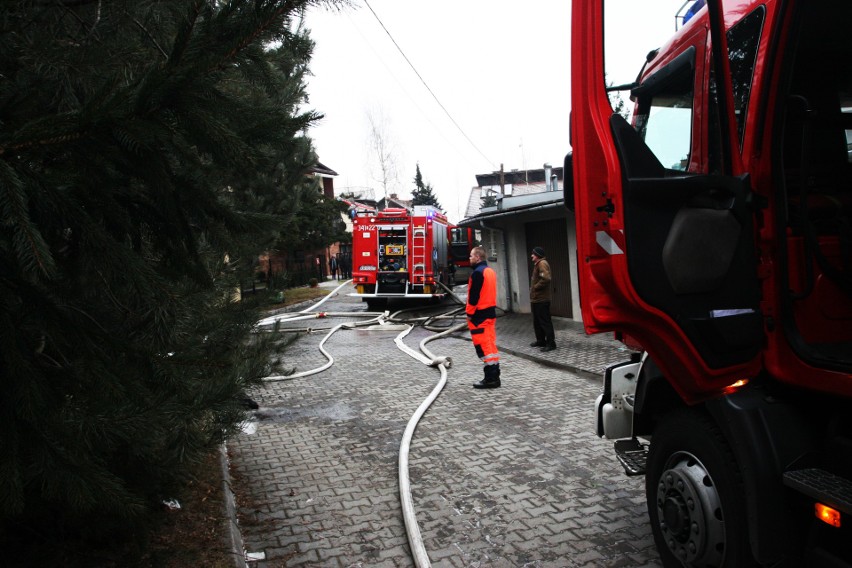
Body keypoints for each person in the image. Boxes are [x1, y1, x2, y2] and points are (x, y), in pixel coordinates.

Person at [466, 246, 501, 389]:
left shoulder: (477, 273)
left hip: (479, 316)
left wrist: (469, 314)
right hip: (490, 314)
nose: (469, 258)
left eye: (471, 256)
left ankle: (490, 379)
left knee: (484, 348)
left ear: (478, 257)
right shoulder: (490, 272)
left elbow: (473, 298)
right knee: (490, 346)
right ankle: (494, 376)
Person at [529, 246, 556, 352]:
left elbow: (546, 278)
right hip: (536, 299)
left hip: (542, 299)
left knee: (545, 322)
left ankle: (551, 343)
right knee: (537, 321)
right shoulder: (538, 264)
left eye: (533, 254)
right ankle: (541, 340)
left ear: (538, 255)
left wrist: (535, 287)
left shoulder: (542, 263)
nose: (531, 256)